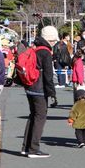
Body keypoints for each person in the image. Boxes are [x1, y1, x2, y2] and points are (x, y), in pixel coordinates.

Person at [22, 26, 58, 158]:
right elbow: (48, 76)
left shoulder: (35, 49)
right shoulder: (46, 52)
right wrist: (52, 93)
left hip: (30, 86)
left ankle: (26, 147)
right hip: (40, 89)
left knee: (33, 116)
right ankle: (34, 149)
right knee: (40, 117)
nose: (54, 43)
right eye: (53, 41)